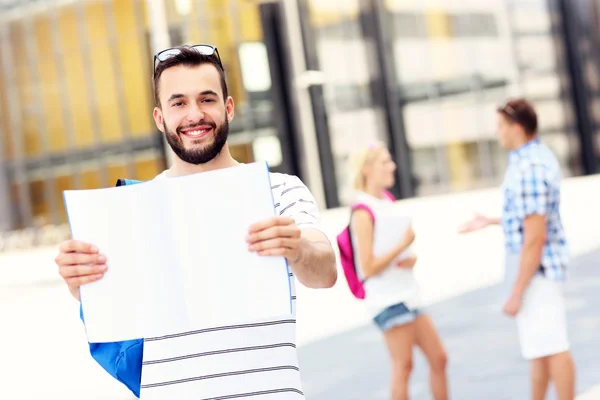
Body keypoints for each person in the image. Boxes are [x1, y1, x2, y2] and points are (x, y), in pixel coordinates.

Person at [54, 44, 337, 398]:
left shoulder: (279, 189)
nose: (194, 114)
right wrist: (80, 282)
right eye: (178, 103)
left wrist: (297, 250)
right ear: (160, 118)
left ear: (228, 108)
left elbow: (325, 272)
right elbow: (109, 312)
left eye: (207, 99)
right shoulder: (130, 208)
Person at [459, 98, 576, 400]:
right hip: (535, 270)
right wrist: (493, 221)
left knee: (554, 348)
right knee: (539, 350)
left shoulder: (532, 166)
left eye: (500, 126)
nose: (497, 133)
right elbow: (529, 217)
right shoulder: (529, 158)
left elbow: (535, 237)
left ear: (517, 127)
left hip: (538, 272)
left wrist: (516, 292)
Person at [349, 142, 449, 400]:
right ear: (368, 169)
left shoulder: (387, 201)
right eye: (385, 162)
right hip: (387, 300)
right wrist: (402, 245)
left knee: (439, 359)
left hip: (407, 293)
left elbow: (392, 250)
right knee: (403, 366)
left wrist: (408, 257)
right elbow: (368, 267)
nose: (392, 166)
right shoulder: (362, 211)